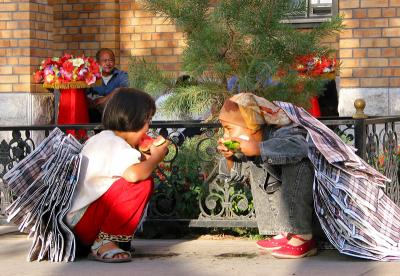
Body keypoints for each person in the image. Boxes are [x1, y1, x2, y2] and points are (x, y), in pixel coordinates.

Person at [66, 88, 170, 263]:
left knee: (140, 177)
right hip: (84, 222)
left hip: (78, 220)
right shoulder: (115, 143)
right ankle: (104, 242)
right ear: (135, 120)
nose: (149, 127)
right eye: (148, 120)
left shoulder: (103, 139)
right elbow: (133, 175)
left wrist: (145, 156)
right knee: (142, 183)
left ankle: (110, 239)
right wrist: (156, 159)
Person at [216, 93, 316, 259]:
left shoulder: (285, 130)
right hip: (287, 205)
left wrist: (259, 148)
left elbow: (302, 147)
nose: (226, 136)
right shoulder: (253, 140)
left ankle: (302, 236)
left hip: (314, 199)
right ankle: (284, 233)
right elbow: (236, 176)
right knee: (257, 160)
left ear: (252, 125)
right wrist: (229, 158)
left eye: (229, 129)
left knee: (297, 161)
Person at [87, 48, 129, 123]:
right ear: (97, 63)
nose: (108, 63)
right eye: (104, 60)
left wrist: (103, 99)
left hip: (115, 116)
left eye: (111, 60)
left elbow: (123, 90)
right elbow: (85, 94)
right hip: (94, 116)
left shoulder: (121, 75)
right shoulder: (91, 77)